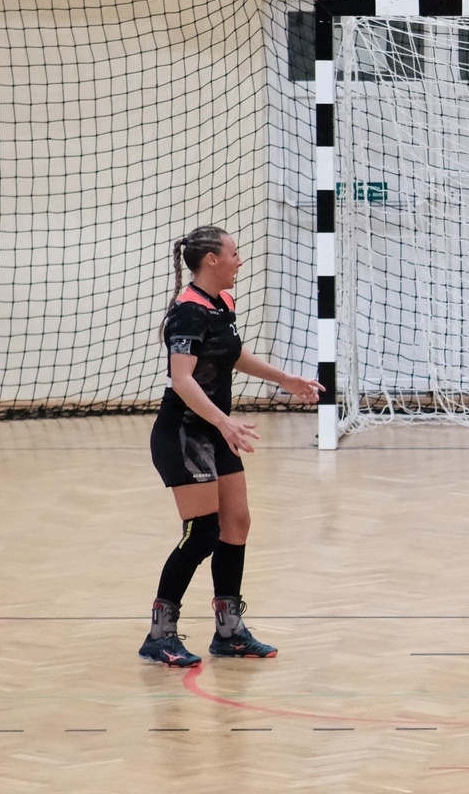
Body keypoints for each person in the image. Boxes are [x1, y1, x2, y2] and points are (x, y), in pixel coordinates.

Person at [139, 227, 322, 667]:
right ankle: (159, 635)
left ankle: (229, 632)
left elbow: (231, 354)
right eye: (234, 253)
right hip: (184, 433)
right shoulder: (187, 311)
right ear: (211, 260)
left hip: (218, 431)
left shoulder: (222, 302)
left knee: (236, 523)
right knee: (201, 532)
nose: (240, 261)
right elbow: (182, 380)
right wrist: (223, 421)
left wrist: (285, 379)